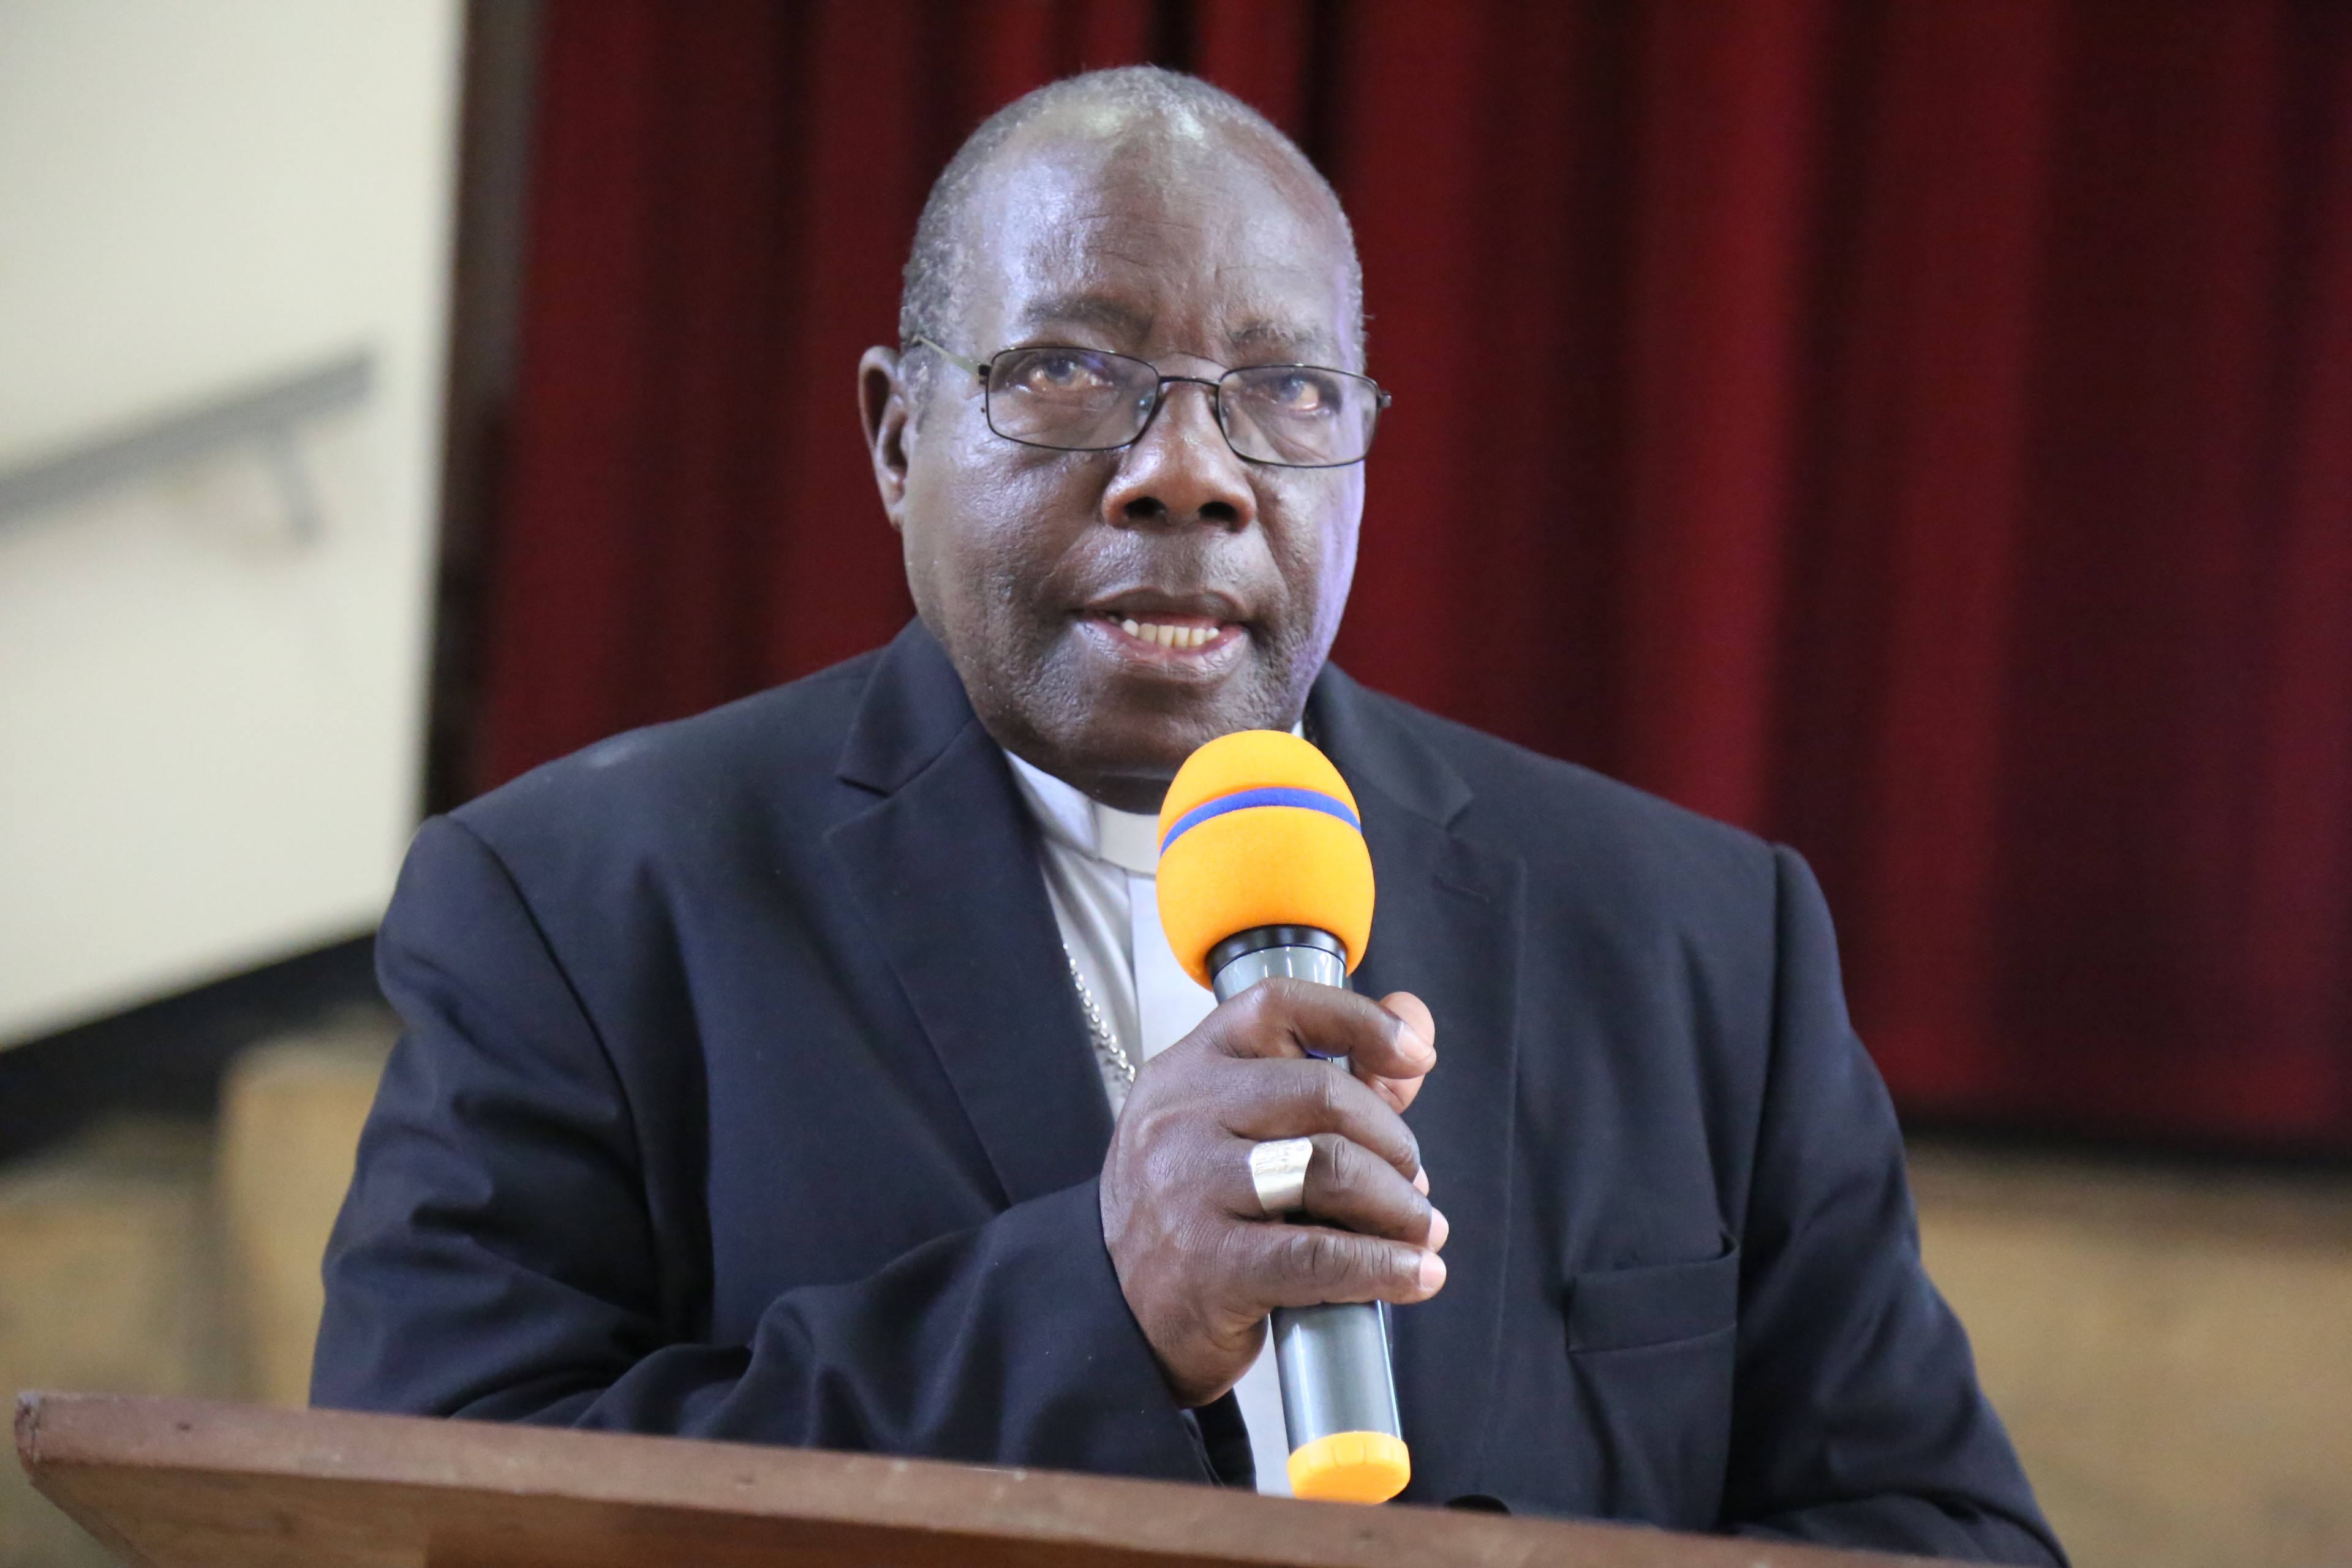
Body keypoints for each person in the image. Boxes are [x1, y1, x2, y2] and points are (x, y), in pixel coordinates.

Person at [314, 66, 2062, 1564]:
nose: (1193, 469)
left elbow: (1938, 1535)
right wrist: (1102, 1299)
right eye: (1071, 371)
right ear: (896, 436)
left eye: (1286, 392)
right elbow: (439, 1506)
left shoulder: (1700, 936)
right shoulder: (570, 907)